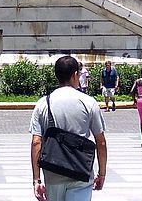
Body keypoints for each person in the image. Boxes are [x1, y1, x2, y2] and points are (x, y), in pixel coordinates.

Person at [30, 55, 108, 201]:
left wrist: (37, 180)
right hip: (81, 171)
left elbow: (36, 142)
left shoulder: (43, 104)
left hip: (53, 172)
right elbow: (101, 142)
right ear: (75, 75)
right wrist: (101, 174)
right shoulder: (88, 102)